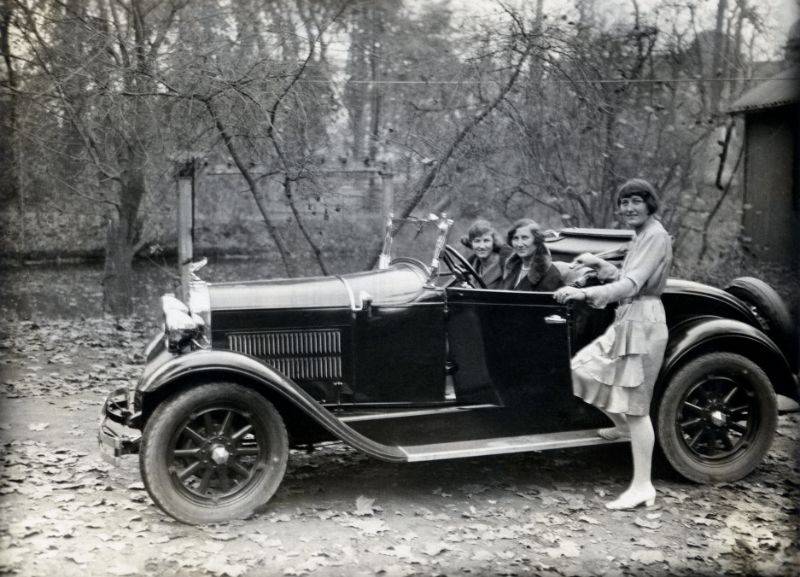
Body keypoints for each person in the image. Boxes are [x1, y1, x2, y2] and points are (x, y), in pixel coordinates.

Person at [553, 178, 672, 510]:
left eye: (635, 201)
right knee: (581, 370)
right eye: (624, 202)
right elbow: (624, 277)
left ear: (650, 203)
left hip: (644, 321)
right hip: (628, 319)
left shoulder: (656, 236)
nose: (628, 208)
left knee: (637, 408)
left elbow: (631, 285)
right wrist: (597, 263)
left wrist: (584, 293)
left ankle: (643, 485)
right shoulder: (642, 236)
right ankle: (620, 429)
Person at [500, 219, 564, 292]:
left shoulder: (551, 275)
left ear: (537, 240)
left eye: (525, 238)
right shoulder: (511, 268)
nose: (519, 244)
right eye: (515, 238)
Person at [460, 219, 506, 289]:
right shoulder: (472, 264)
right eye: (477, 241)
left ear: (493, 242)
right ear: (471, 243)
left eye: (486, 241)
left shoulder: (505, 265)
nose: (481, 246)